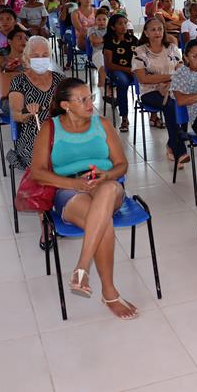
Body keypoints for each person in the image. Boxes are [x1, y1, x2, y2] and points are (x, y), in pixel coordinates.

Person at [29, 77, 137, 319]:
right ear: (65, 105)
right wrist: (75, 184)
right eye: (83, 99)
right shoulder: (50, 128)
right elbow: (38, 173)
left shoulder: (102, 123)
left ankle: (82, 266)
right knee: (102, 222)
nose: (90, 103)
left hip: (106, 183)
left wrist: (106, 175)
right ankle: (109, 293)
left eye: (90, 97)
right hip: (68, 188)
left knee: (108, 191)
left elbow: (122, 164)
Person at [8, 36, 64, 250]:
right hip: (33, 135)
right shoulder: (19, 81)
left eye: (44, 55)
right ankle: (46, 223)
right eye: (35, 56)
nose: (41, 59)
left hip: (59, 132)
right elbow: (15, 114)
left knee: (73, 157)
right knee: (43, 165)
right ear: (26, 58)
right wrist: (28, 113)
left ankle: (69, 206)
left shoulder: (59, 80)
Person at [132, 17, 188, 165]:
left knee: (182, 102)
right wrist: (169, 77)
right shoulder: (140, 51)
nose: (157, 32)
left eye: (160, 29)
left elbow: (180, 70)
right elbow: (143, 78)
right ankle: (179, 150)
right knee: (170, 105)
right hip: (149, 92)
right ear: (146, 33)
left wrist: (170, 83)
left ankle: (172, 143)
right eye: (153, 30)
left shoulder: (172, 48)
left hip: (172, 88)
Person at [103, 13, 137, 133]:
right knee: (122, 82)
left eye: (125, 23)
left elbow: (141, 56)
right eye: (120, 24)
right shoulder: (109, 42)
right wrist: (128, 70)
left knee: (148, 79)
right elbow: (109, 64)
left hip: (133, 70)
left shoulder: (133, 39)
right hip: (116, 70)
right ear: (113, 27)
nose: (124, 26)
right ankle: (124, 117)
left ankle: (153, 115)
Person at [0, 27, 29, 109]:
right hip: (10, 99)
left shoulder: (30, 61)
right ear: (9, 41)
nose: (24, 41)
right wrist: (7, 72)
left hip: (31, 96)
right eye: (19, 38)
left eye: (26, 39)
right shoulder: (0, 59)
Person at [0, 8, 19, 87]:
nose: (4, 22)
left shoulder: (21, 36)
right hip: (2, 68)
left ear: (15, 21)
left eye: (8, 19)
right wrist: (8, 66)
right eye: (1, 19)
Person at [87, 9, 109, 88]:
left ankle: (107, 86)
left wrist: (100, 40)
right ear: (95, 20)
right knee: (103, 68)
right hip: (98, 53)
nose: (101, 22)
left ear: (108, 20)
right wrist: (108, 39)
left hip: (110, 52)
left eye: (104, 19)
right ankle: (103, 91)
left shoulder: (111, 30)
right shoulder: (91, 29)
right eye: (99, 20)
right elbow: (94, 42)